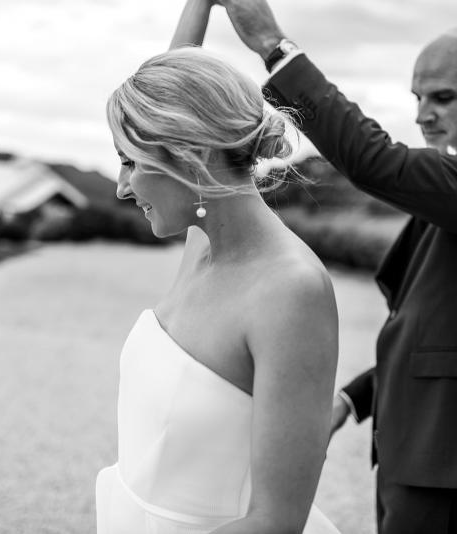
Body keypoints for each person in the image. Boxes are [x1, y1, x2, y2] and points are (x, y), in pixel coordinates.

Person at [187, 1, 457, 533]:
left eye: (443, 97)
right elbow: (435, 328)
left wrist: (274, 44)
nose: (423, 113)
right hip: (419, 454)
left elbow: (375, 161)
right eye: (418, 97)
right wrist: (352, 399)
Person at [94, 6, 342, 533]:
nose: (122, 187)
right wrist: (199, 3)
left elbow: (276, 522)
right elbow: (175, 79)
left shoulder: (290, 292)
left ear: (193, 154)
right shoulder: (202, 242)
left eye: (131, 161)